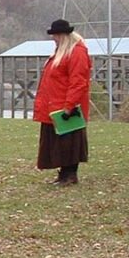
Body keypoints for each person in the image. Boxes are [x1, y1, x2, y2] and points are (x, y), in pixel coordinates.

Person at [34, 19, 91, 186]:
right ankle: (64, 173)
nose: (54, 39)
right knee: (58, 142)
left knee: (69, 142)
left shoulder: (77, 52)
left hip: (65, 107)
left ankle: (70, 174)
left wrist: (69, 106)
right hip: (54, 106)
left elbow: (78, 82)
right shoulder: (61, 53)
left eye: (56, 35)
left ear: (64, 35)